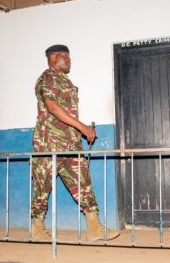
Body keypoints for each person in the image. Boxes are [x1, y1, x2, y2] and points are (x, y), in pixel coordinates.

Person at [31, 44, 119, 242]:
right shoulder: (47, 78)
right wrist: (82, 127)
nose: (69, 60)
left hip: (70, 144)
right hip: (49, 144)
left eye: (69, 57)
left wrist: (77, 131)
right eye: (65, 56)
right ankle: (37, 228)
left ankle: (95, 228)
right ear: (53, 58)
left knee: (83, 183)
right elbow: (53, 108)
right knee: (42, 187)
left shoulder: (65, 81)